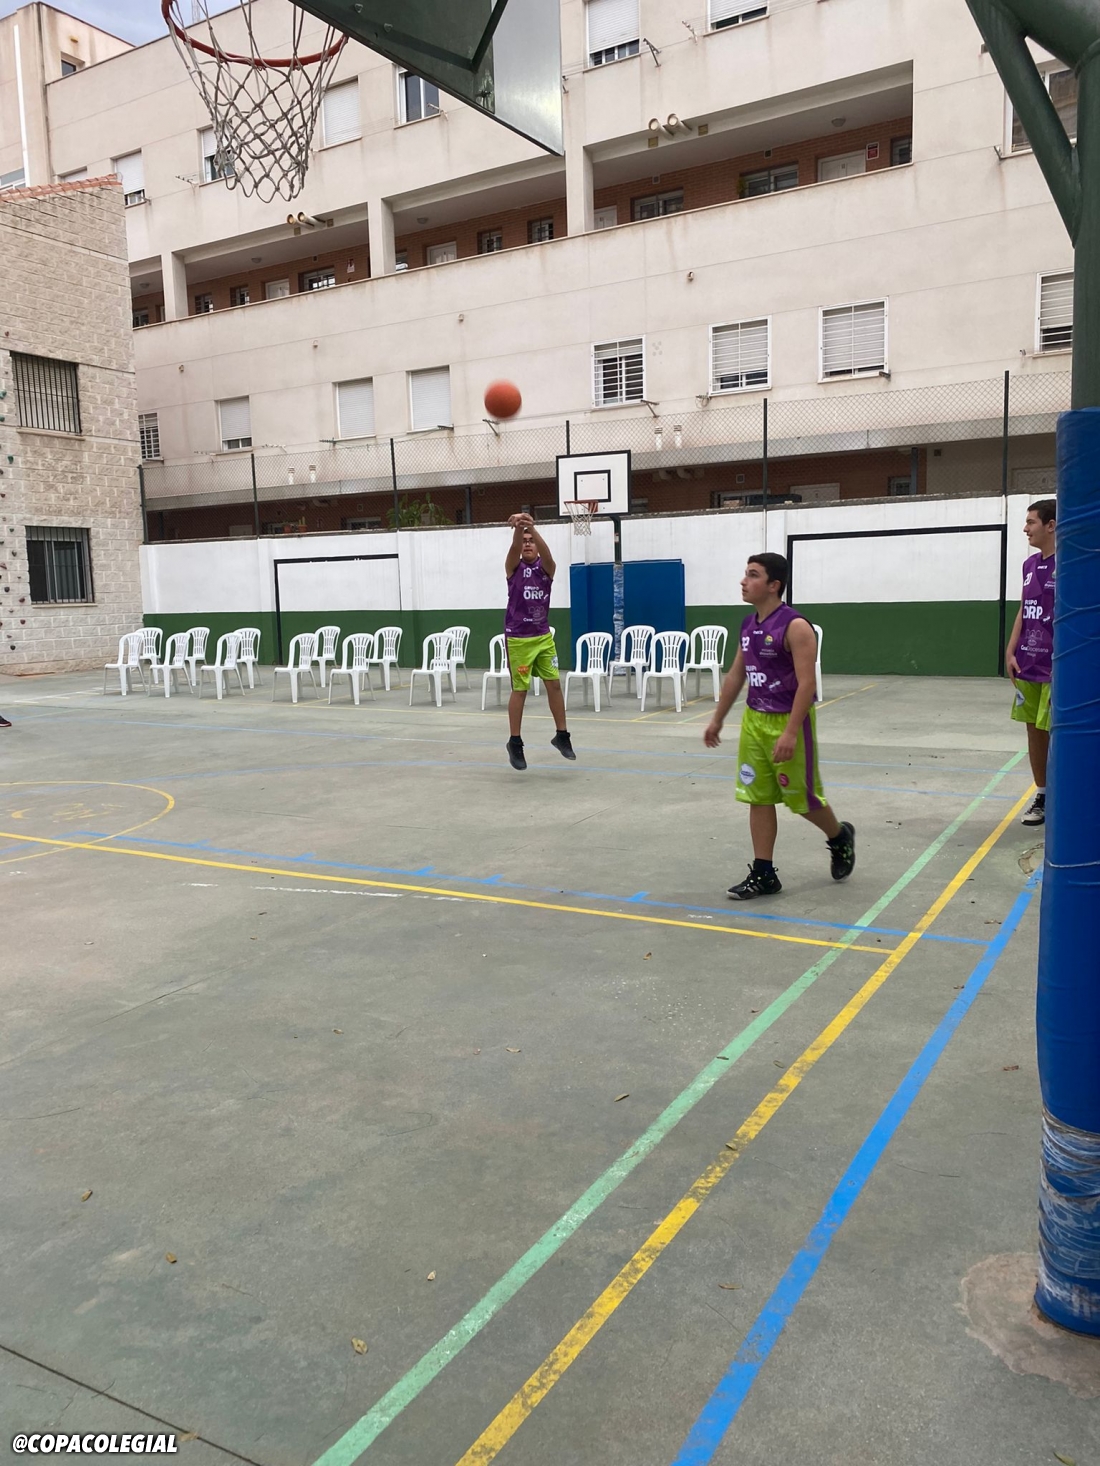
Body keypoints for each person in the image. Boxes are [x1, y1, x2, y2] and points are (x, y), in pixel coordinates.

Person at [703, 552, 855, 899]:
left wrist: (789, 732)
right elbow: (737, 675)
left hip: (789, 720)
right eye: (745, 574)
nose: (744, 581)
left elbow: (807, 684)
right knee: (757, 796)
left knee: (802, 799)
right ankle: (764, 873)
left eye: (753, 575)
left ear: (774, 585)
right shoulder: (748, 625)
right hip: (754, 719)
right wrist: (717, 719)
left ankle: (839, 836)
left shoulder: (795, 626)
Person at [503, 513, 575, 771]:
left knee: (554, 684)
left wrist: (531, 527)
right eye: (524, 541)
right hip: (519, 638)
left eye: (531, 541)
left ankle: (562, 735)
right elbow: (514, 548)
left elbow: (549, 555)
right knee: (520, 689)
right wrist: (519, 529)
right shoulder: (514, 568)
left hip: (543, 636)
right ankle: (515, 742)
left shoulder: (547, 569)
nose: (527, 544)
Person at [1006, 497, 1056, 826]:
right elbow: (1025, 609)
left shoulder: (1070, 565)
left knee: (1057, 733)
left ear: (1051, 526)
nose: (1025, 528)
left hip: (1056, 665)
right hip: (1027, 662)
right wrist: (1011, 650)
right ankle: (1042, 794)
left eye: (1031, 522)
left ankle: (1065, 795)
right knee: (1034, 731)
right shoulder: (1028, 566)